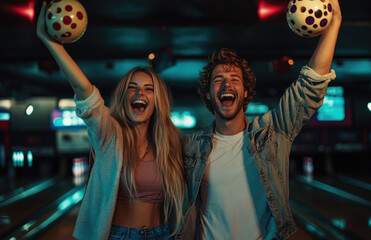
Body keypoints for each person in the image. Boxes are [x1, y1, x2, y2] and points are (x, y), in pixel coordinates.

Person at [178, 0, 342, 239]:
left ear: (245, 92)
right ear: (208, 94)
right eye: (218, 79)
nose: (226, 83)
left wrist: (334, 24)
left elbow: (310, 87)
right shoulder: (188, 146)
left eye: (235, 79)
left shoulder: (273, 133)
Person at [36, 2, 185, 240]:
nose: (140, 94)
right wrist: (52, 44)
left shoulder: (170, 142)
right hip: (119, 235)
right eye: (132, 88)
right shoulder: (110, 136)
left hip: (163, 233)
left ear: (157, 101)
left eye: (148, 89)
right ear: (124, 96)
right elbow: (86, 94)